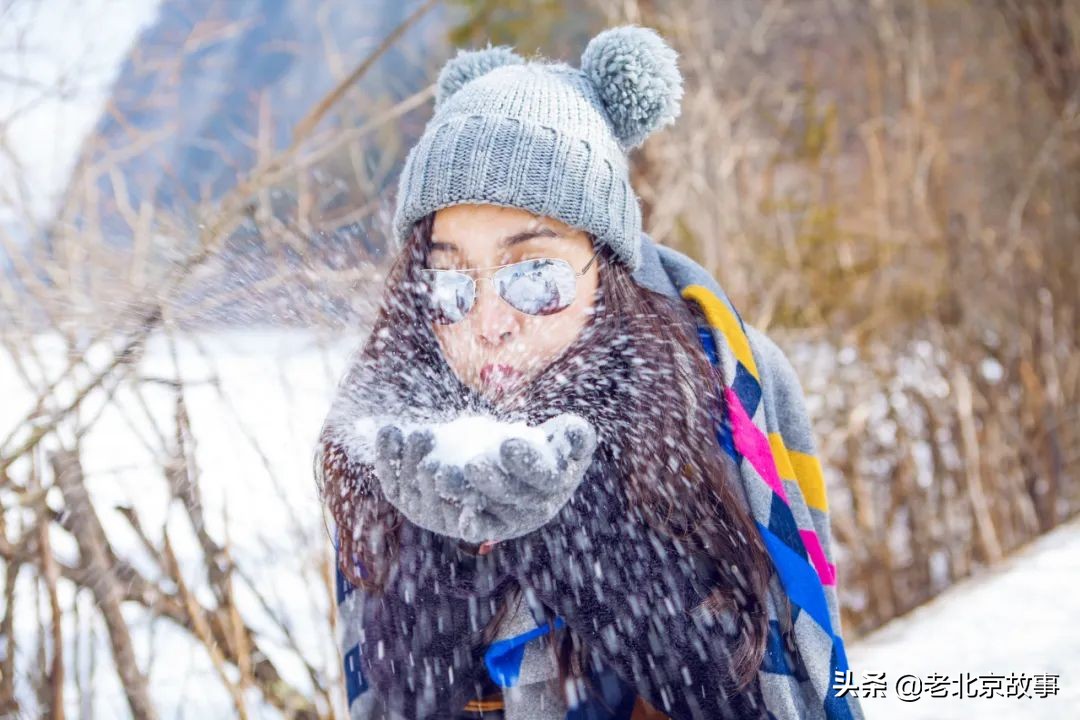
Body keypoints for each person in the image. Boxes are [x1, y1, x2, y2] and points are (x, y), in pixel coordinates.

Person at [316, 25, 866, 720]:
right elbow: (396, 702)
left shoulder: (717, 401)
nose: (489, 320)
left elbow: (759, 689)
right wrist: (447, 559)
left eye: (534, 274)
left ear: (606, 272)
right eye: (450, 284)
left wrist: (575, 535)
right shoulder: (396, 434)